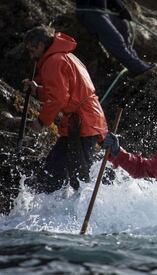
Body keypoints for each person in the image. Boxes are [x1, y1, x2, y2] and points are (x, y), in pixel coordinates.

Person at [22, 25, 108, 193]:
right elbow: (63, 92)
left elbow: (59, 98)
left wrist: (41, 121)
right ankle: (56, 210)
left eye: (31, 50)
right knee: (57, 172)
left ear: (40, 45)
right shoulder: (65, 56)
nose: (30, 55)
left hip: (82, 124)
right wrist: (37, 91)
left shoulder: (53, 61)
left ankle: (74, 213)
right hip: (84, 121)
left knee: (74, 178)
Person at [75, 0, 152, 77]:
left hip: (102, 11)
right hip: (88, 11)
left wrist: (121, 8)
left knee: (123, 25)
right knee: (116, 39)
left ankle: (135, 62)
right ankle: (138, 68)